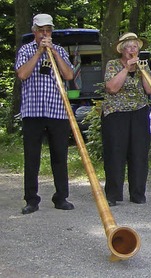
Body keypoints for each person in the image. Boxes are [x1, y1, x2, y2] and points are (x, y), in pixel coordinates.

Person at [15, 14, 75, 214]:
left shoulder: (59, 50)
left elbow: (68, 75)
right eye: (41, 30)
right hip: (32, 112)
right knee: (32, 157)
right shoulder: (26, 50)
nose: (45, 34)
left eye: (48, 30)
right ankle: (31, 200)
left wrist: (54, 54)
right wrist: (39, 51)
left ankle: (61, 197)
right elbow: (22, 74)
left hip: (57, 111)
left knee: (60, 155)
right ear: (34, 31)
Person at [102, 32, 151, 206]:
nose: (132, 51)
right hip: (116, 113)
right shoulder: (113, 65)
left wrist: (141, 70)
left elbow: (149, 90)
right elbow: (111, 88)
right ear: (122, 50)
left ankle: (138, 193)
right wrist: (126, 68)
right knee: (115, 153)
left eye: (135, 47)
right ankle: (113, 194)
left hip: (139, 111)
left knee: (139, 153)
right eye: (129, 47)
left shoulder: (143, 66)